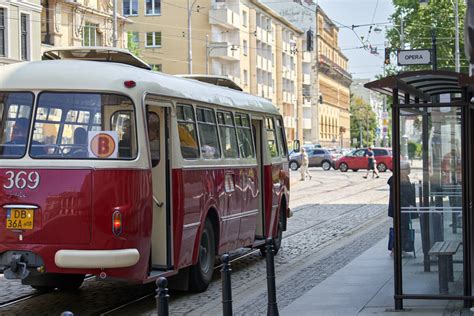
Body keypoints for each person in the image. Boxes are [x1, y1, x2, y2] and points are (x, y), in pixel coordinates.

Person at [387, 161, 416, 257]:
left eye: (409, 169)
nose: (409, 171)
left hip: (405, 209)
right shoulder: (395, 181)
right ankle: (396, 250)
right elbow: (398, 197)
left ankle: (400, 249)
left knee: (404, 228)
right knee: (400, 229)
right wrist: (407, 205)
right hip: (399, 209)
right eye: (407, 169)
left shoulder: (405, 179)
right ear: (401, 170)